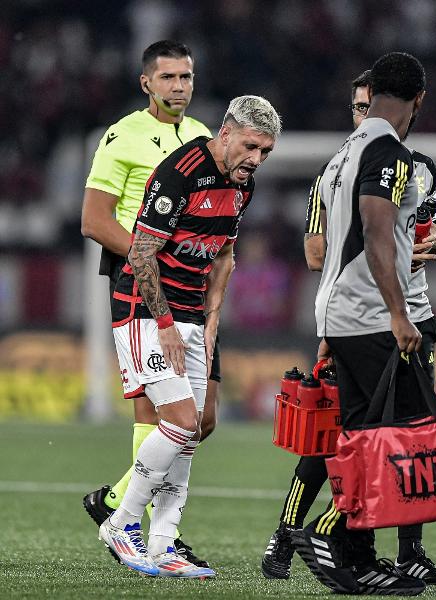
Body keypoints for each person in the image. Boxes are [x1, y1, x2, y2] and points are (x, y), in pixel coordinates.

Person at [262, 70, 436, 585]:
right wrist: (395, 310)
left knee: (379, 436)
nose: (363, 113)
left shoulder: (353, 160)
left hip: (363, 316)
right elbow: (357, 234)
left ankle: (364, 557)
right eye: (356, 105)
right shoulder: (380, 155)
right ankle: (325, 533)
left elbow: (435, 233)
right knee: (380, 438)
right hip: (375, 317)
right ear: (417, 100)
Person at [97, 95, 281, 578]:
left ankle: (163, 544)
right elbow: (140, 253)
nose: (255, 160)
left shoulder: (244, 186)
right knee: (179, 421)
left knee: (194, 430)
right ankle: (121, 522)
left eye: (264, 152)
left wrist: (210, 323)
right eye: (249, 146)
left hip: (192, 317)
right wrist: (165, 326)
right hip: (143, 309)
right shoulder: (180, 171)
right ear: (225, 133)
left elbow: (222, 256)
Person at [80, 40, 216, 566]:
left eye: (185, 77)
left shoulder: (205, 137)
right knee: (159, 410)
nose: (179, 86)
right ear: (147, 83)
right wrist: (151, 256)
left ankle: (115, 502)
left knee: (200, 419)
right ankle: (149, 532)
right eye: (168, 78)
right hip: (142, 278)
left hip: (193, 284)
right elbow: (94, 221)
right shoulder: (124, 136)